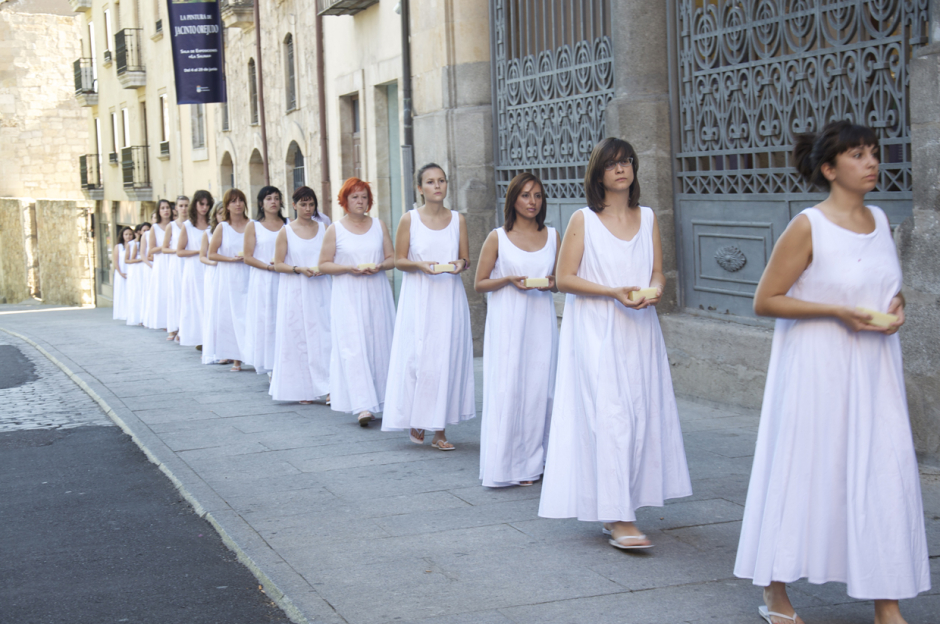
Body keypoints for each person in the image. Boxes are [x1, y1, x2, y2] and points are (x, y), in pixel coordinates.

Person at [733, 121, 930, 624]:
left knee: (884, 474)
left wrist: (897, 305)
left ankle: (888, 605)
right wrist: (838, 312)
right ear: (829, 168)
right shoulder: (808, 225)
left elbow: (884, 282)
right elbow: (765, 300)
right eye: (858, 155)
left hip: (874, 371)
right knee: (805, 473)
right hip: (817, 369)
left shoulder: (882, 220)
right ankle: (775, 591)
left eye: (873, 154)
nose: (871, 163)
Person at [538, 138, 692, 549]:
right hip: (597, 331)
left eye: (626, 162)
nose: (621, 169)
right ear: (598, 174)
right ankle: (618, 515)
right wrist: (613, 292)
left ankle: (625, 505)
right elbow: (564, 278)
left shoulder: (649, 218)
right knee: (610, 417)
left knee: (639, 415)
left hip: (640, 330)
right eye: (612, 164)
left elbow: (659, 271)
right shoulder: (582, 220)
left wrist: (654, 290)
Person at [474, 172, 560, 486]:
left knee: (540, 391)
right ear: (513, 199)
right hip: (508, 323)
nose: (532, 202)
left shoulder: (553, 236)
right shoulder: (498, 236)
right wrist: (508, 280)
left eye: (537, 195)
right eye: (525, 195)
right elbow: (479, 283)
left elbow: (559, 281)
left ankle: (535, 463)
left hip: (541, 324)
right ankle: (508, 465)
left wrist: (552, 283)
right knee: (509, 390)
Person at [382, 164, 475, 450]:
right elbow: (399, 260)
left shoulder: (458, 219)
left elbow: (465, 258)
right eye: (431, 182)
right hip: (419, 296)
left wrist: (459, 264)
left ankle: (440, 431)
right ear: (420, 188)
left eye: (442, 181)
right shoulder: (409, 219)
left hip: (449, 296)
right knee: (418, 358)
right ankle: (417, 416)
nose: (438, 186)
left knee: (446, 358)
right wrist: (420, 265)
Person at [318, 178, 396, 426]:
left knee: (379, 344)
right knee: (353, 346)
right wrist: (348, 268)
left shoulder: (378, 225)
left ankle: (384, 399)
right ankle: (362, 405)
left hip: (376, 292)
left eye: (364, 197)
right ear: (345, 201)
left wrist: (380, 266)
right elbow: (324, 264)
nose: (360, 201)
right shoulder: (335, 229)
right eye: (354, 197)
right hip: (348, 294)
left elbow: (393, 258)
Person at [269, 186, 332, 404]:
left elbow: (331, 257)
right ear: (294, 205)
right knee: (299, 337)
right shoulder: (285, 231)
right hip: (295, 290)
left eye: (311, 204)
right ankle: (304, 388)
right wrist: (298, 269)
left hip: (321, 288)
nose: (307, 208)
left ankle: (330, 386)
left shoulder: (325, 228)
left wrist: (323, 268)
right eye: (303, 204)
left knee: (325, 335)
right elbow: (278, 264)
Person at [243, 186, 286, 377]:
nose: (273, 202)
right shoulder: (254, 226)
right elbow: (248, 257)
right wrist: (269, 267)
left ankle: (285, 360)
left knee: (284, 318)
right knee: (267, 320)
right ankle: (270, 365)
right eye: (269, 198)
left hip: (285, 277)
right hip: (264, 278)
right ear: (261, 203)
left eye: (276, 198)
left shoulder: (288, 224)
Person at [207, 188, 251, 371]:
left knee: (249, 313)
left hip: (249, 273)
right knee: (231, 315)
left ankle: (252, 354)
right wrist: (230, 259)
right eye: (233, 201)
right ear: (227, 205)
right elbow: (211, 253)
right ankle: (235, 358)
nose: (238, 204)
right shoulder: (222, 227)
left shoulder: (252, 225)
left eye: (240, 200)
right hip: (229, 276)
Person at [177, 191, 212, 350]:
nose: (204, 208)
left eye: (207, 204)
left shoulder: (214, 225)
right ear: (195, 205)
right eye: (201, 204)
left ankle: (210, 337)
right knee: (197, 303)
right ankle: (200, 338)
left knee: (209, 301)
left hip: (210, 266)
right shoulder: (188, 226)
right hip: (194, 268)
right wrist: (199, 252)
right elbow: (180, 251)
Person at [143, 199, 173, 330]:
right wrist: (165, 246)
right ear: (158, 211)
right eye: (162, 208)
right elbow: (151, 250)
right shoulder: (154, 228)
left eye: (167, 208)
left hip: (173, 260)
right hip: (161, 262)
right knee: (162, 290)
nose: (166, 210)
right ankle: (163, 321)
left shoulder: (175, 225)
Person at [165, 195, 190, 342]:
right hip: (176, 263)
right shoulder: (172, 226)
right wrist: (177, 250)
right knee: (176, 294)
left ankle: (185, 328)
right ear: (176, 208)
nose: (184, 208)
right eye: (181, 205)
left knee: (187, 294)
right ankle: (175, 327)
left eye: (186, 205)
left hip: (189, 262)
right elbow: (164, 248)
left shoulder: (193, 224)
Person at [125, 223, 151, 327]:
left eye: (148, 230)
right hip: (139, 268)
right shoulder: (136, 244)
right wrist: (142, 259)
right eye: (144, 230)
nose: (147, 232)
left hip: (146, 267)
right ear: (140, 232)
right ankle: (140, 317)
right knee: (140, 292)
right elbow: (131, 259)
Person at [112, 226, 134, 321]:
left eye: (130, 234)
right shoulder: (118, 247)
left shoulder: (134, 245)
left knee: (131, 293)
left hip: (131, 272)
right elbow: (115, 261)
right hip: (121, 273)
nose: (128, 236)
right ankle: (123, 313)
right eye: (126, 234)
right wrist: (120, 272)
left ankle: (131, 313)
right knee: (122, 293)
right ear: (122, 235)